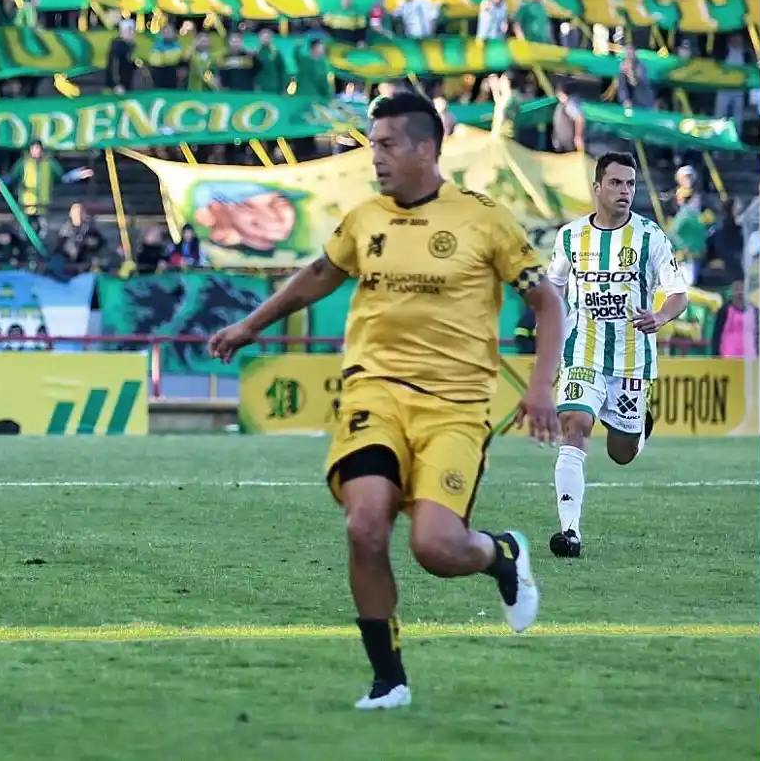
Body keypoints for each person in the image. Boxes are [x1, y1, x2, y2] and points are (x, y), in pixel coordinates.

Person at [207, 92, 563, 712]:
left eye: (388, 144)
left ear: (427, 148)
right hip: (375, 393)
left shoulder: (484, 219)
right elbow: (321, 274)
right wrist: (251, 325)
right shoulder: (366, 218)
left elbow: (547, 303)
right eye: (372, 144)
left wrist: (539, 387)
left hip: (455, 406)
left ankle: (500, 553)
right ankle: (388, 679)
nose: (376, 157)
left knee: (437, 548)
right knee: (365, 524)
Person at [545, 152, 689, 559]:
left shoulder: (650, 237)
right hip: (582, 350)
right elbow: (554, 286)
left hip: (630, 358)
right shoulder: (570, 237)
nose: (625, 191)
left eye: (630, 184)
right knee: (574, 424)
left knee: (621, 453)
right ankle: (569, 532)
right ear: (597, 187)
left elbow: (678, 293)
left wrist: (660, 316)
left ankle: (638, 428)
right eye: (616, 183)